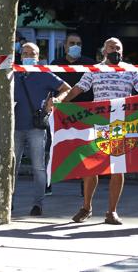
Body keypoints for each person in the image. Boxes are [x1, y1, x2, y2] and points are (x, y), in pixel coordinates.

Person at [63, 37, 138, 225]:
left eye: (117, 47)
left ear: (122, 51)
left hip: (121, 124)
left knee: (118, 168)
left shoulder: (130, 69)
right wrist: (62, 103)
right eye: (110, 47)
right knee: (90, 166)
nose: (114, 50)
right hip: (98, 122)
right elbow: (78, 88)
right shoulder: (94, 69)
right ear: (104, 51)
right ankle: (86, 207)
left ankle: (112, 212)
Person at [15, 42, 70, 216]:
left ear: (38, 57)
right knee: (11, 167)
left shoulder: (44, 74)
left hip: (36, 127)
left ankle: (38, 204)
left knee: (38, 167)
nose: (28, 56)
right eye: (25, 53)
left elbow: (66, 89)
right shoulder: (13, 72)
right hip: (13, 127)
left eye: (32, 54)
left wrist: (56, 101)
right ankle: (8, 202)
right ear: (20, 55)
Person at [50, 33, 96, 195]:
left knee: (85, 150)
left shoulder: (90, 64)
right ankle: (48, 183)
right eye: (72, 43)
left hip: (85, 112)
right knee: (55, 147)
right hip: (62, 112)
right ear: (65, 46)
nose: (75, 46)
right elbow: (50, 87)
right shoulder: (56, 64)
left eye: (78, 43)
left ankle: (85, 186)